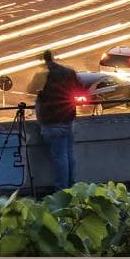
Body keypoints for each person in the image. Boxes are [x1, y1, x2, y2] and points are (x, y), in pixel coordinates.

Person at [27, 49, 81, 191]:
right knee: (69, 154)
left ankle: (62, 190)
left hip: (52, 120)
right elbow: (79, 89)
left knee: (60, 157)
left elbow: (31, 89)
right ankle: (72, 186)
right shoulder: (69, 72)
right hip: (68, 118)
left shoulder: (43, 75)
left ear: (43, 60)